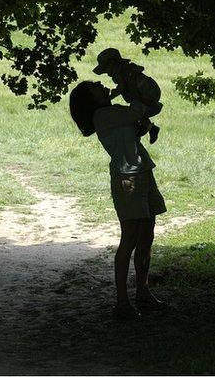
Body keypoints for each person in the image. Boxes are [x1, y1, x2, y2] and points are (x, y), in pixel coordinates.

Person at [69, 80, 167, 320]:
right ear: (91, 100)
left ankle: (142, 292)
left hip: (141, 173)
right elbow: (138, 110)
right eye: (96, 87)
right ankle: (122, 303)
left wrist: (140, 113)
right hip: (127, 180)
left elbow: (142, 118)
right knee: (131, 237)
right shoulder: (103, 115)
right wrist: (128, 88)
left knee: (147, 234)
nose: (104, 86)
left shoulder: (112, 113)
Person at [93, 48, 162, 144]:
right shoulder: (122, 70)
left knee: (136, 109)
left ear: (113, 63)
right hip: (144, 92)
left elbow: (122, 87)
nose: (107, 73)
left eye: (106, 69)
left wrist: (109, 98)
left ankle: (147, 126)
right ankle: (149, 127)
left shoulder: (122, 72)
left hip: (146, 91)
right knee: (137, 109)